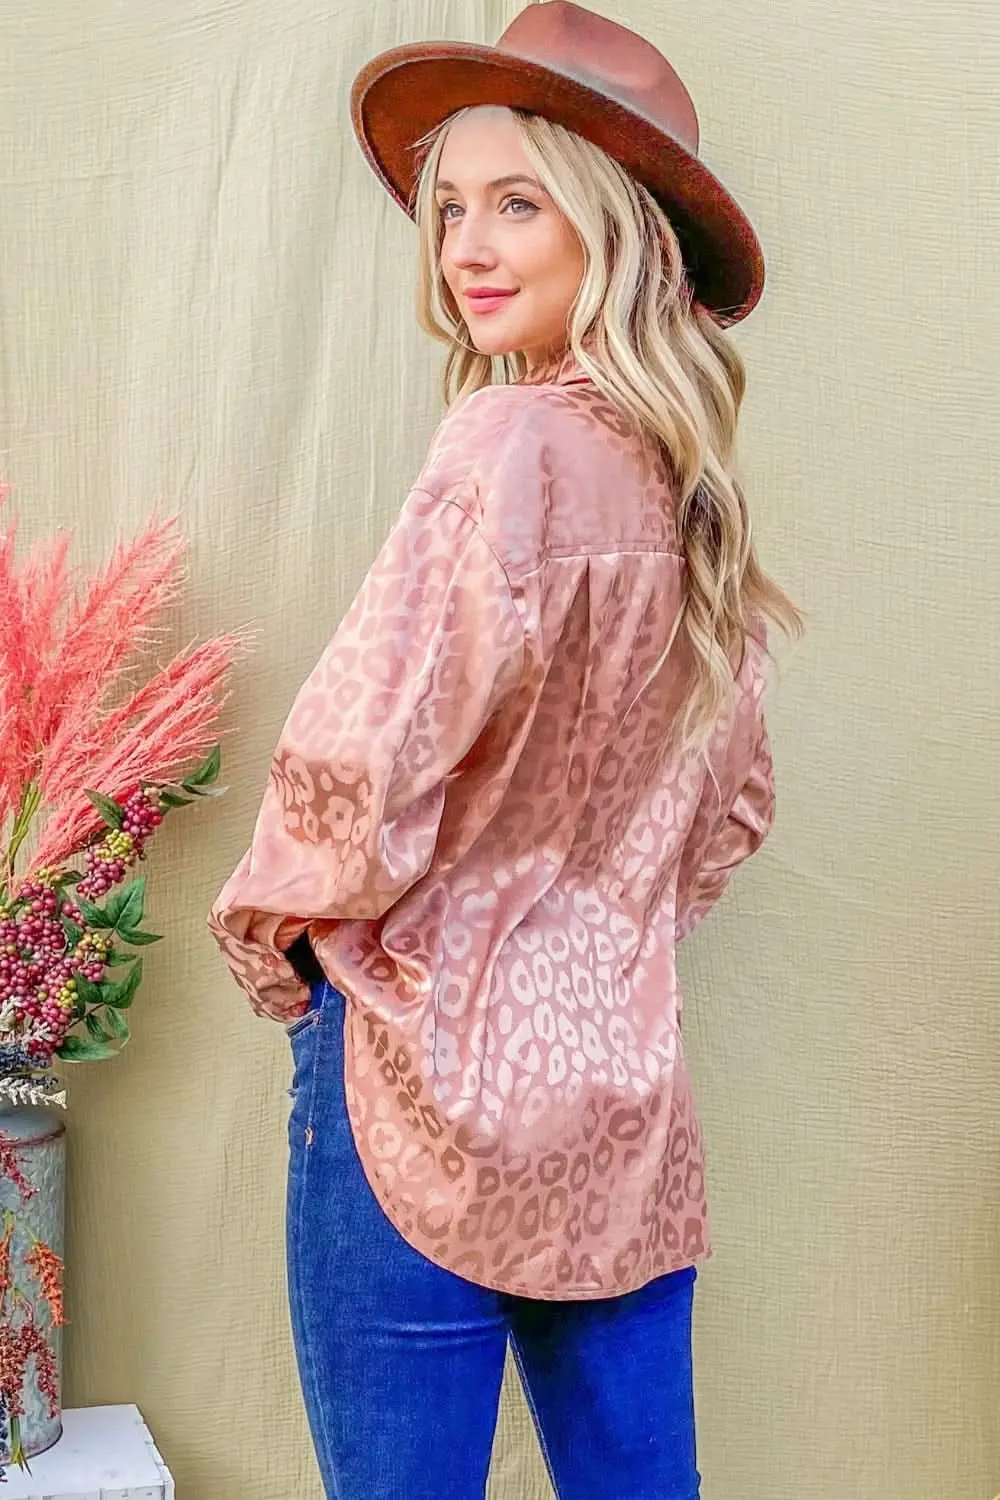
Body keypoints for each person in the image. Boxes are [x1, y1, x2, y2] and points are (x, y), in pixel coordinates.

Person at [207, 3, 803, 1496]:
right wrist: (600, 937)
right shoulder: (691, 491)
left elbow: (359, 759)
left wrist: (280, 946)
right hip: (621, 1102)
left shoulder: (502, 448)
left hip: (419, 1083)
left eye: (517, 203)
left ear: (618, 227)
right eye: (450, 208)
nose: (466, 248)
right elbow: (732, 809)